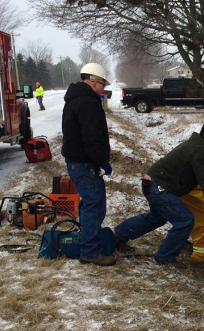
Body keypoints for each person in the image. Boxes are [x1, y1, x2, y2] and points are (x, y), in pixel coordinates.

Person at [114, 120, 204, 269]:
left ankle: (118, 235)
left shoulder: (194, 145)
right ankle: (165, 257)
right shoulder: (202, 151)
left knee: (157, 218)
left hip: (151, 183)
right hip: (159, 187)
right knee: (185, 220)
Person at [61, 62, 118, 267]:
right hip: (85, 163)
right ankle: (91, 252)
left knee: (89, 204)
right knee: (94, 205)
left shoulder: (75, 99)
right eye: (103, 84)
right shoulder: (88, 103)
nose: (104, 89)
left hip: (78, 162)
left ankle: (89, 244)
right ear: (95, 82)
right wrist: (103, 162)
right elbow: (92, 137)